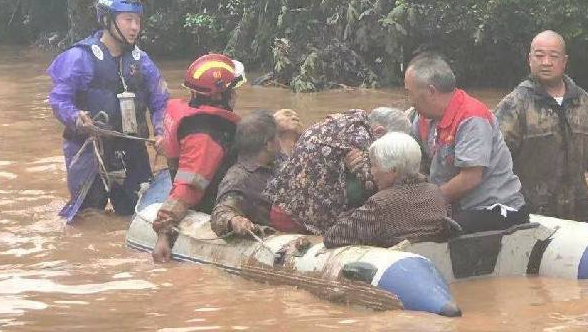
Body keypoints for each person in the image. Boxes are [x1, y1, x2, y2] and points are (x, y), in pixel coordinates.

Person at [47, 0, 169, 217]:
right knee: (86, 216)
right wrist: (75, 117)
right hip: (91, 149)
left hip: (132, 149)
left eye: (138, 21)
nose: (135, 27)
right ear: (107, 20)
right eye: (128, 20)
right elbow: (59, 99)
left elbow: (160, 101)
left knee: (140, 216)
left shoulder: (142, 61)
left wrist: (162, 132)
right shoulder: (79, 57)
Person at [404, 53, 527, 233]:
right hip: (454, 205)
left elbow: (470, 178)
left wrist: (427, 203)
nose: (410, 101)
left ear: (431, 92)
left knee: (429, 229)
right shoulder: (422, 118)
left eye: (410, 93)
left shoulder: (471, 118)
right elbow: (414, 164)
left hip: (493, 208)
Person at [495, 30, 588, 221]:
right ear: (529, 59)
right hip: (531, 218)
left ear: (564, 61)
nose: (546, 62)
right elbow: (496, 163)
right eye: (539, 56)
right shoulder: (514, 105)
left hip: (578, 217)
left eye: (553, 56)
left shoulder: (583, 101)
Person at [152, 53, 244, 262]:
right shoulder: (209, 133)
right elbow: (190, 183)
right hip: (211, 204)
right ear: (221, 96)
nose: (236, 95)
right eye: (233, 90)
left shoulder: (190, 115)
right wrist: (164, 233)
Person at [265, 107, 412, 234]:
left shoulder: (347, 119)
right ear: (379, 132)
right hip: (298, 221)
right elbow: (376, 184)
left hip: (282, 205)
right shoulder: (362, 137)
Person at [323, 132, 450, 248]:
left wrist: (346, 215)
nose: (372, 172)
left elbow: (333, 237)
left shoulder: (380, 204)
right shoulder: (436, 193)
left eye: (374, 165)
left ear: (393, 170)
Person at [210, 110, 293, 238]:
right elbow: (220, 212)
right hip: (274, 236)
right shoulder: (239, 178)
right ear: (267, 144)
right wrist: (235, 220)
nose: (280, 141)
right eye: (277, 136)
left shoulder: (277, 160)